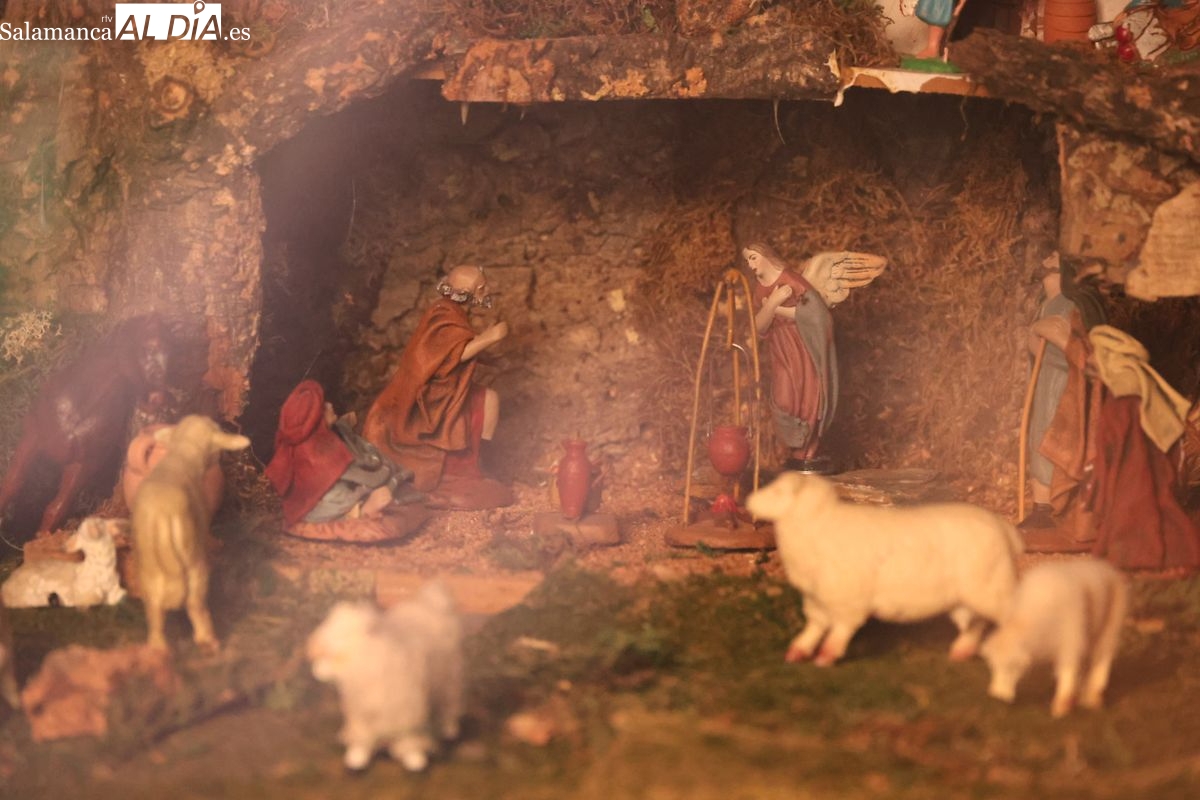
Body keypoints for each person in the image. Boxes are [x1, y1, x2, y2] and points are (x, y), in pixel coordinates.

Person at [363, 265, 512, 508]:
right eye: (483, 288)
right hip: (428, 394)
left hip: (447, 386)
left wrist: (490, 358)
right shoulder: (443, 314)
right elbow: (451, 354)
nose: (487, 292)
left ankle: (480, 462)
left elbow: (455, 347)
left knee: (491, 399)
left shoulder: (454, 312)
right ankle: (468, 467)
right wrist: (491, 337)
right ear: (472, 292)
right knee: (484, 402)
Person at [266, 380, 421, 529]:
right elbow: (320, 505)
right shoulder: (318, 463)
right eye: (323, 406)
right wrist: (361, 508)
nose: (330, 405)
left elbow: (364, 453)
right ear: (315, 422)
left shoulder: (335, 435)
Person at [745, 243, 839, 469]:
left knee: (809, 397)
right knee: (784, 400)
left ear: (766, 256)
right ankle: (798, 447)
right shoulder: (759, 289)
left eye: (753, 257)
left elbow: (818, 315)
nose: (750, 264)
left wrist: (775, 308)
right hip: (781, 349)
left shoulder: (791, 279)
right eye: (747, 259)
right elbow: (758, 326)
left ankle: (806, 453)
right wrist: (773, 303)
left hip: (803, 347)